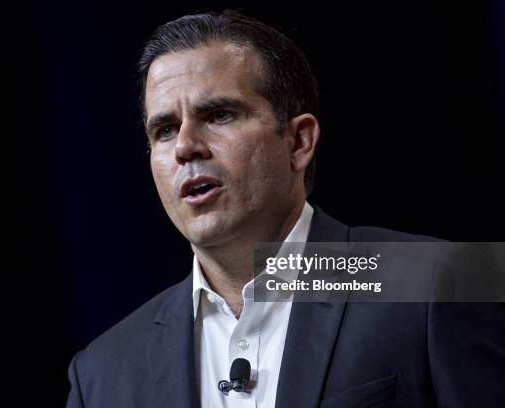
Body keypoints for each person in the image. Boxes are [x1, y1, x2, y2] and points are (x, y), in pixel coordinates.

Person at [66, 10, 505, 407]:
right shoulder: (102, 373)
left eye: (219, 115)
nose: (185, 147)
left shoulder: (438, 282)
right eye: (164, 129)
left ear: (298, 142)